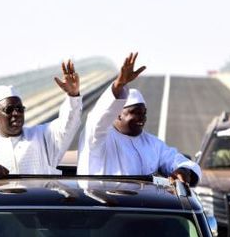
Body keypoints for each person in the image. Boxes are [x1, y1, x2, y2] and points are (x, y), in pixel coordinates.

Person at [77, 52, 201, 186]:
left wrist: (184, 170)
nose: (141, 117)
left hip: (143, 206)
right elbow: (98, 119)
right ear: (117, 113)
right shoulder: (97, 138)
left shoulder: (152, 144)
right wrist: (118, 85)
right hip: (101, 204)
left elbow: (179, 160)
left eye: (144, 112)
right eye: (134, 112)